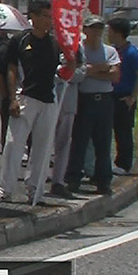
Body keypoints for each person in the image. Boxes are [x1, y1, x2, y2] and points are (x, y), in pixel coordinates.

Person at [0, 0, 75, 205]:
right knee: (14, 144)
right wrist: (12, 98)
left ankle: (35, 189)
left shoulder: (55, 43)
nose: (48, 21)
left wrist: (71, 62)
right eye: (44, 16)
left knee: (43, 147)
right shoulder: (20, 40)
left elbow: (65, 70)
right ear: (34, 17)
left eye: (50, 17)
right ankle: (5, 188)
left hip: (48, 99)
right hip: (24, 96)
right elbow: (11, 69)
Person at [64, 16, 121, 196]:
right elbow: (77, 72)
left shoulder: (110, 51)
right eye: (92, 28)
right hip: (84, 99)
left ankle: (103, 181)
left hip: (104, 100)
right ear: (85, 30)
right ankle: (73, 179)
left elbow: (114, 76)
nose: (96, 32)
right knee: (79, 141)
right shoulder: (78, 49)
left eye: (99, 28)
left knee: (103, 143)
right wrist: (99, 68)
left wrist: (90, 70)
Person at [108, 17, 138, 176]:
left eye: (109, 31)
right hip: (110, 95)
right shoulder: (114, 50)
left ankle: (124, 164)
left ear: (118, 33)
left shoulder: (132, 53)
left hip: (124, 96)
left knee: (123, 131)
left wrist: (132, 96)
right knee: (107, 131)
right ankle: (112, 162)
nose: (107, 34)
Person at [49, 46, 85, 199]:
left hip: (69, 103)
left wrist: (65, 71)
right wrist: (62, 71)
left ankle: (58, 181)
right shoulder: (50, 45)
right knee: (42, 142)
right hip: (48, 101)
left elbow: (80, 73)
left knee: (63, 144)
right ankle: (36, 180)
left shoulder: (76, 47)